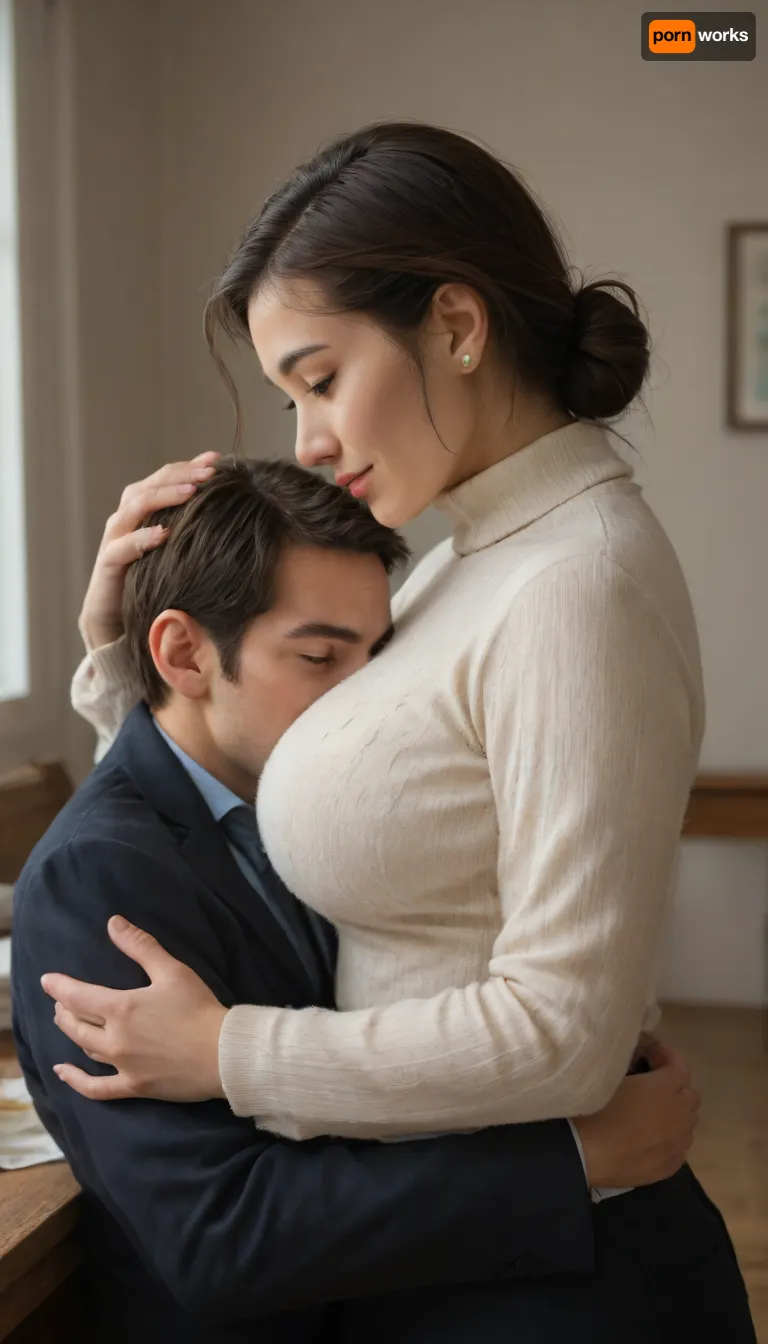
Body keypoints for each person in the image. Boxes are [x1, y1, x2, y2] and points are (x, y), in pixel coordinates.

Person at [43, 123, 755, 1339]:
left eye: (320, 377)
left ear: (459, 328)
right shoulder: (467, 565)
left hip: (558, 1285)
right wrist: (133, 672)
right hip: (460, 1249)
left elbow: (563, 1038)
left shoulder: (577, 583)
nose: (308, 437)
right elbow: (334, 790)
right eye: (289, 396)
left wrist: (230, 1054)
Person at [13, 456, 696, 1344]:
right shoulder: (94, 881)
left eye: (377, 659)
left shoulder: (300, 802)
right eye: (320, 657)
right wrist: (569, 1163)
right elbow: (222, 1232)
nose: (367, 701)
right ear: (182, 653)